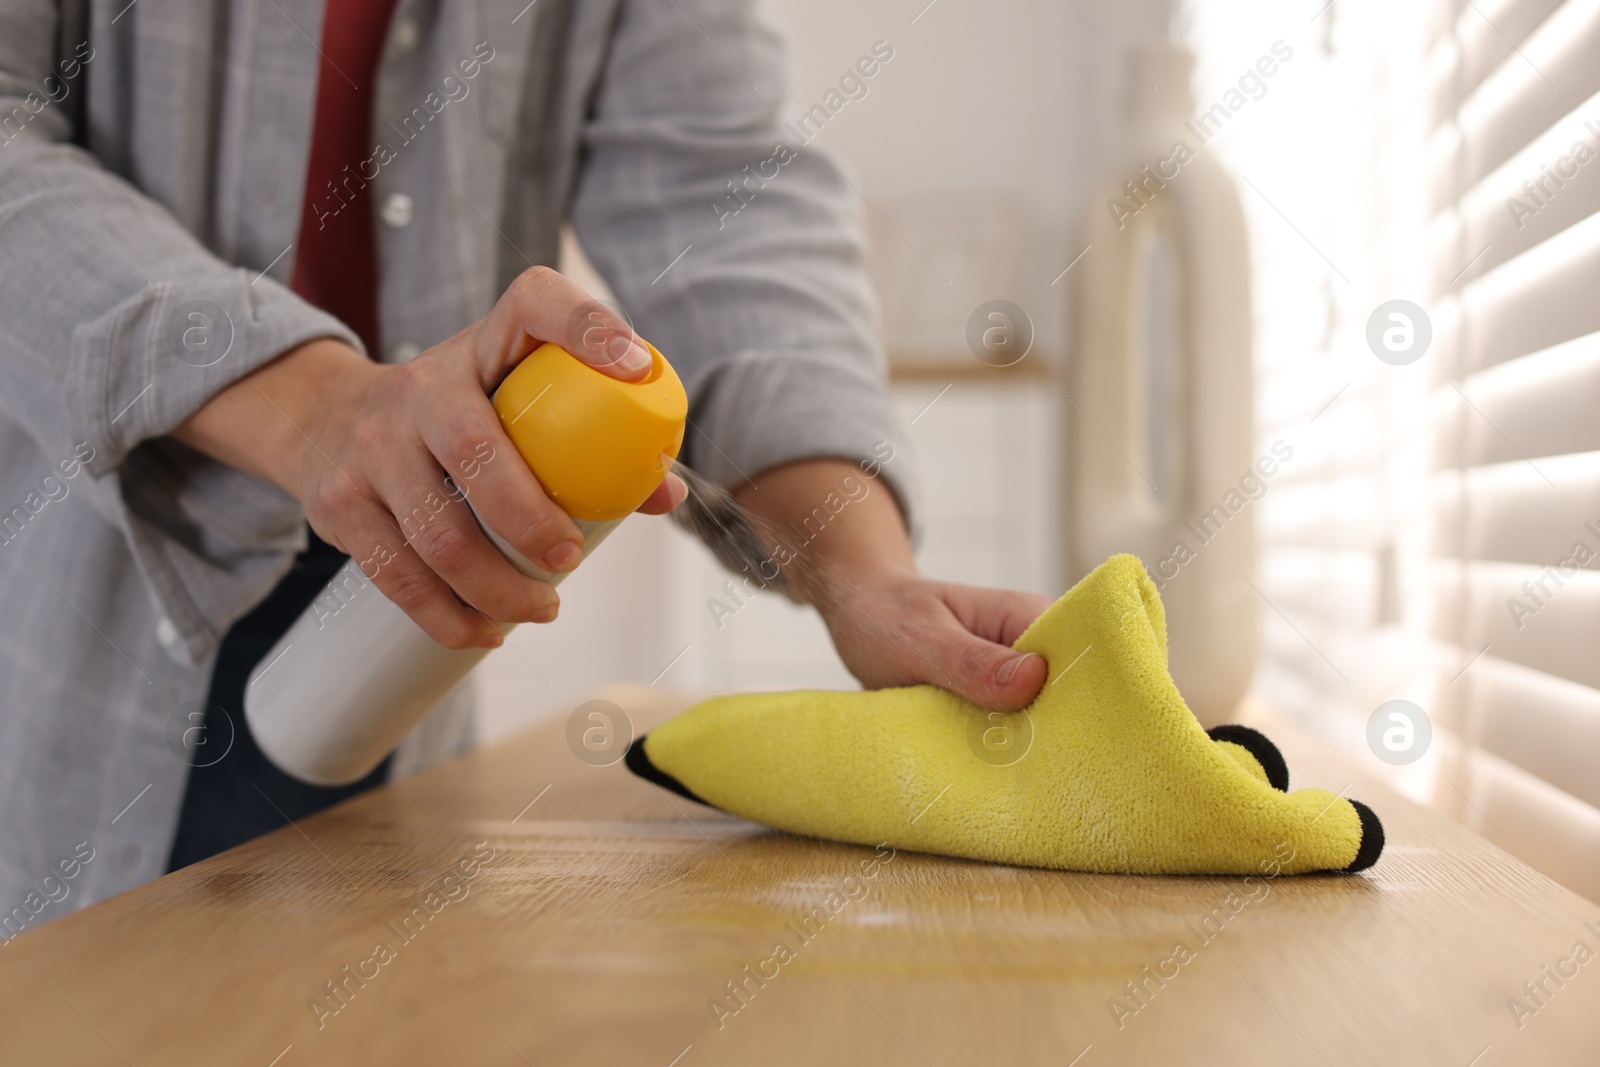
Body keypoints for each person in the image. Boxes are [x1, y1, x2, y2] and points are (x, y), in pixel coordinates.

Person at [0, 0, 1050, 929]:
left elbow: (726, 195)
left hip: (427, 586)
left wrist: (864, 571)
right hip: (75, 580)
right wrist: (316, 405)